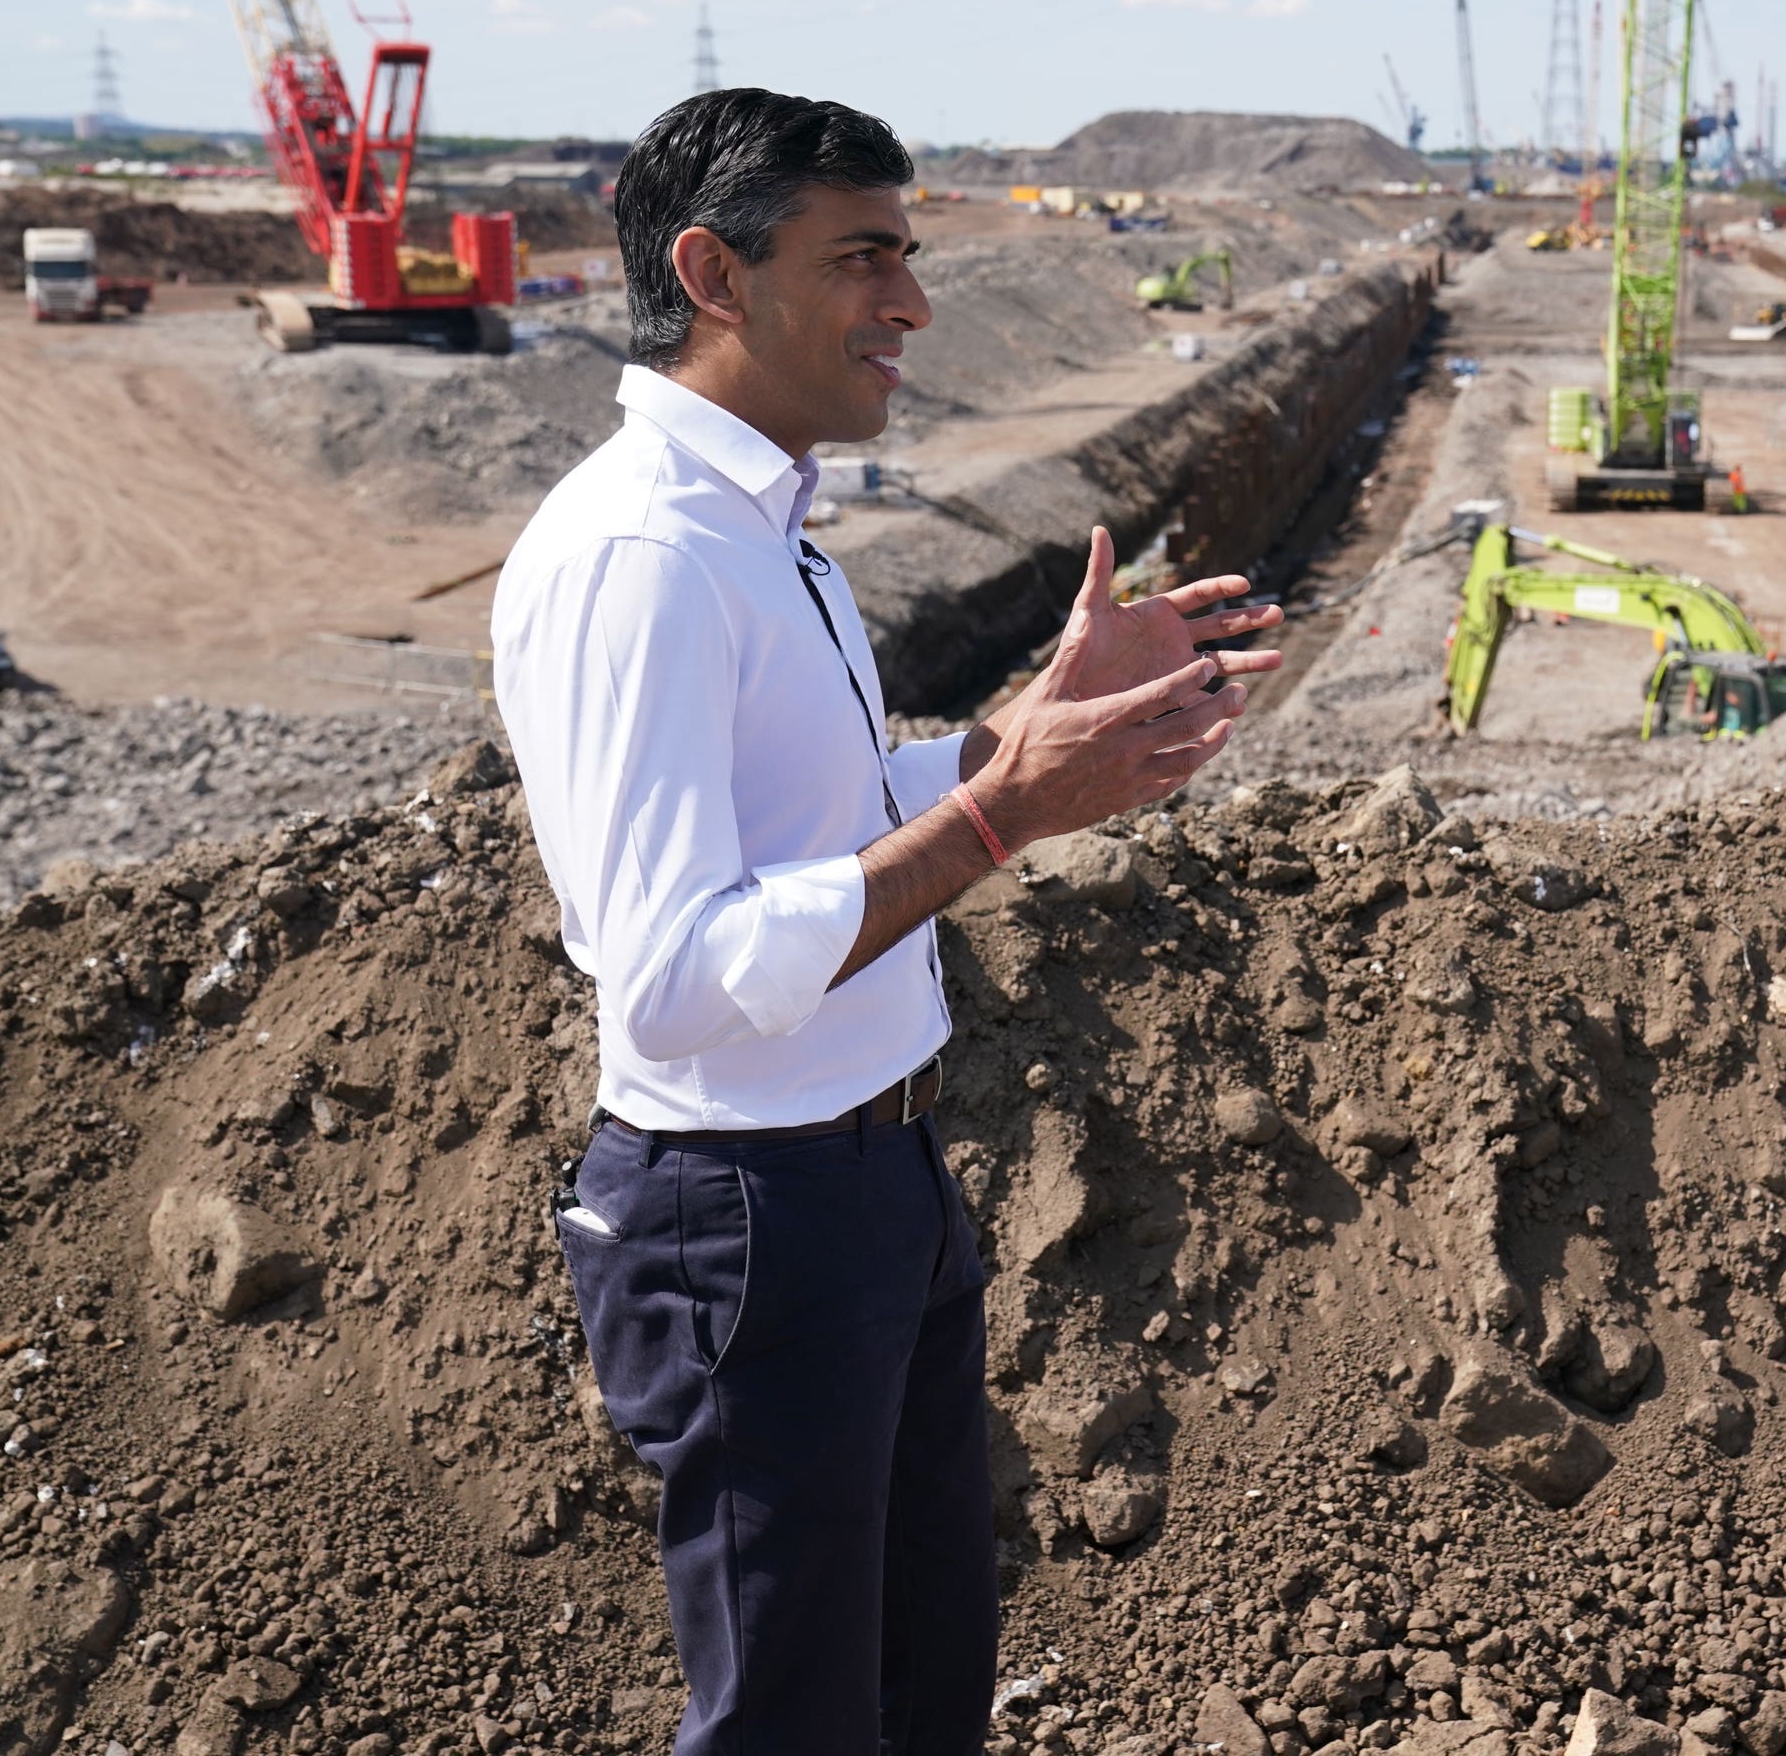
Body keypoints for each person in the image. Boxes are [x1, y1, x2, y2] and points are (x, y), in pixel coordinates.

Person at [489, 88, 1281, 1755]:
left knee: (925, 1688)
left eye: (909, 257)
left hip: (877, 1182)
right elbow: (679, 975)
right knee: (791, 1717)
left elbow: (820, 811)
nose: (913, 305)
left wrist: (1021, 730)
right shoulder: (641, 554)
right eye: (866, 260)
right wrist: (1003, 814)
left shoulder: (763, 529)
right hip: (748, 1220)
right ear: (714, 271)